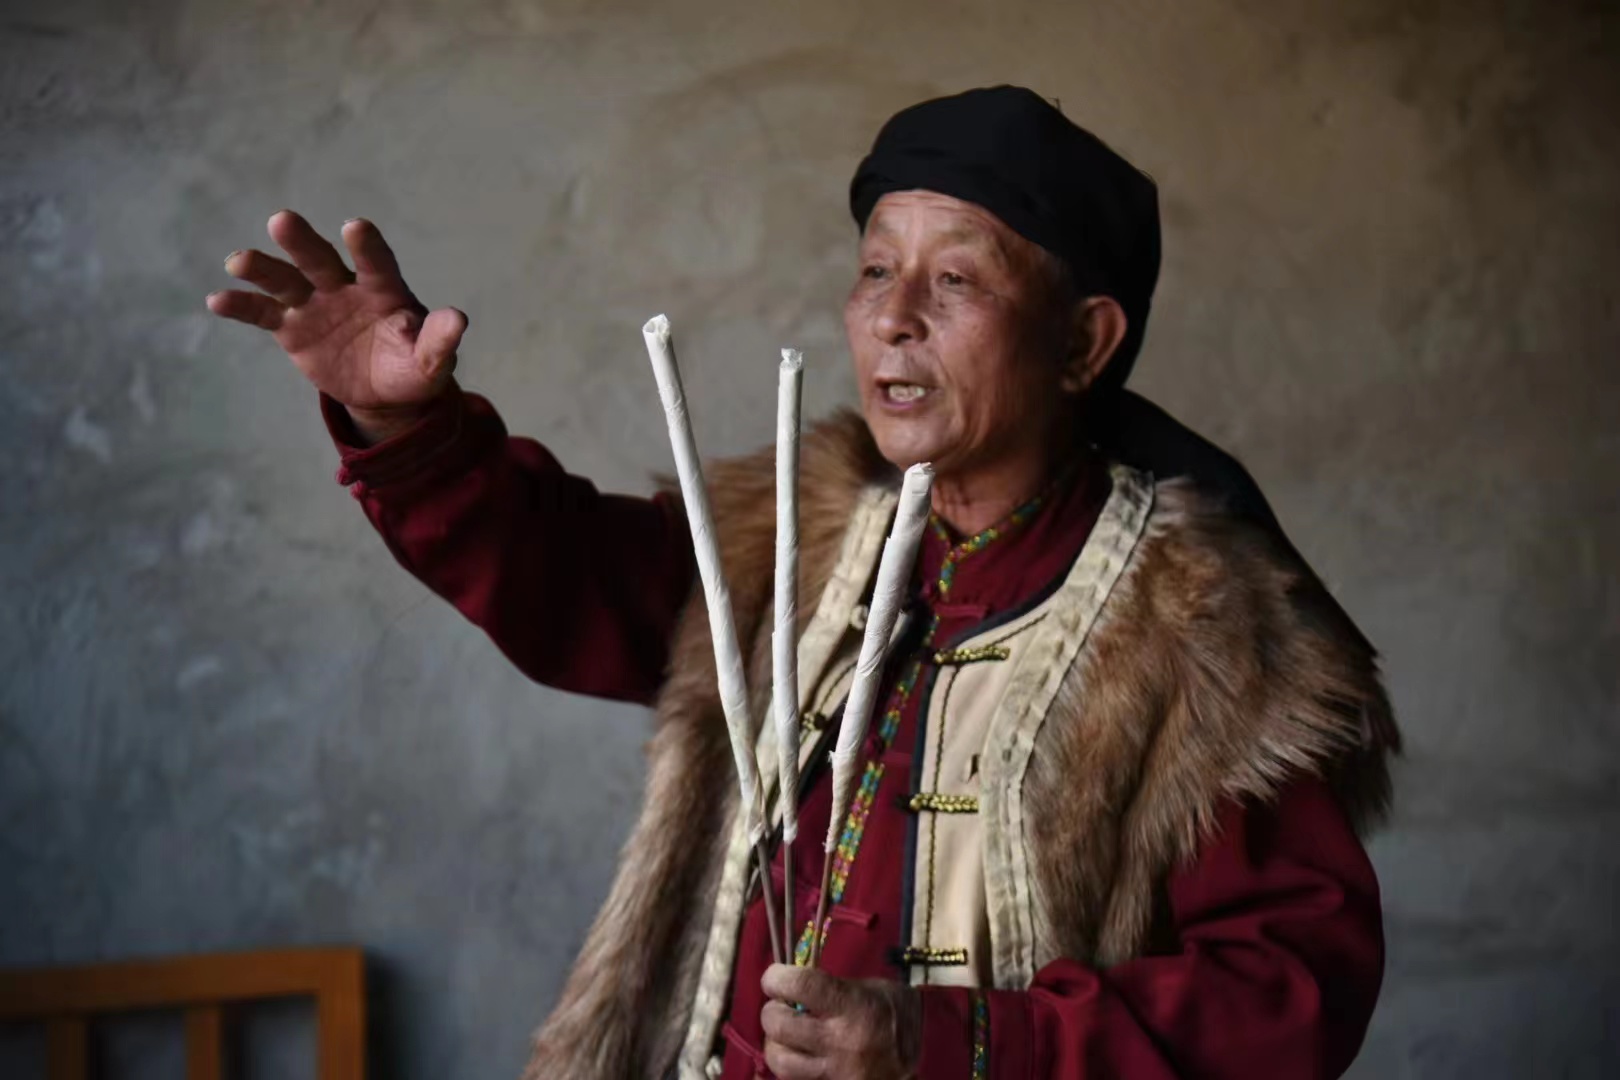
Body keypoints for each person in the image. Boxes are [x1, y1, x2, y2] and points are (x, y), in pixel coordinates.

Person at [206, 85, 1400, 1080]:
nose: (893, 319)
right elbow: (569, 579)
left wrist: (953, 1045)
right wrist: (406, 428)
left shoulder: (1205, 634)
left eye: (957, 281)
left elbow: (1287, 990)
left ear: (1083, 341)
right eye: (876, 270)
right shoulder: (797, 540)